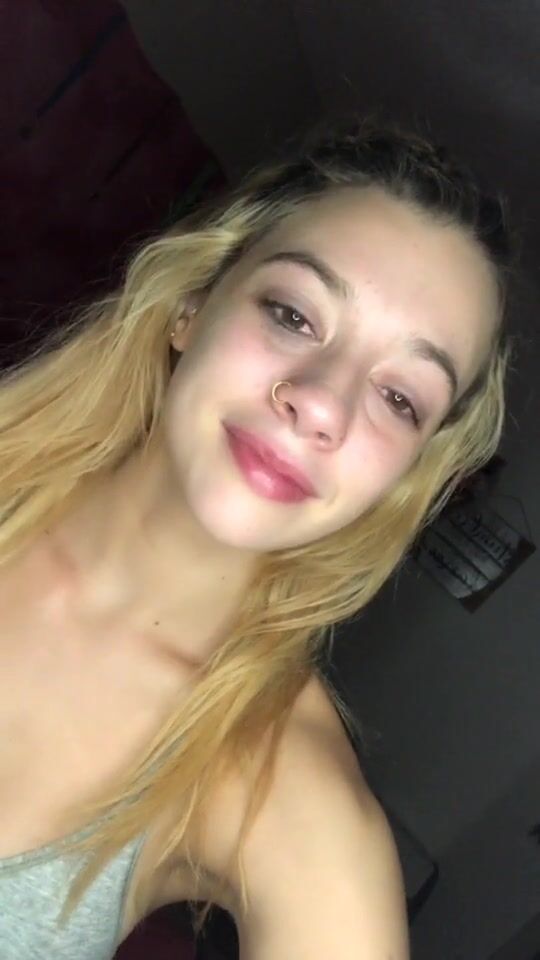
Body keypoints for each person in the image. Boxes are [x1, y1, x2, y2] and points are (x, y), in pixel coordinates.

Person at [0, 113, 515, 960]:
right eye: (294, 315)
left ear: (407, 476)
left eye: (399, 399)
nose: (321, 403)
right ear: (192, 305)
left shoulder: (280, 785)